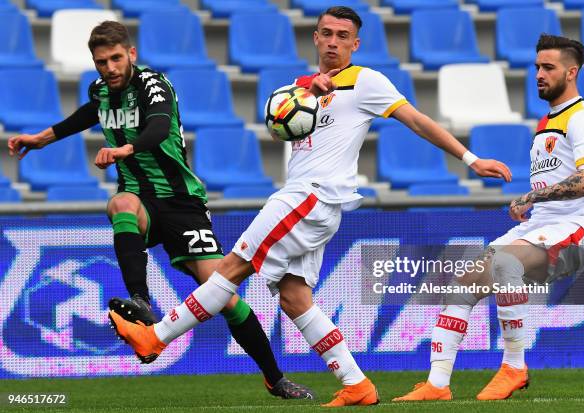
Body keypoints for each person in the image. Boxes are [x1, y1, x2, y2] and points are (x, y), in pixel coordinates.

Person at [107, 7, 511, 407]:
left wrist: (471, 160)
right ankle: (356, 384)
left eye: (342, 36)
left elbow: (417, 120)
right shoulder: (300, 87)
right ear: (315, 38)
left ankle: (155, 336)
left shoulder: (366, 82)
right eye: (326, 33)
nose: (333, 41)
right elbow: (275, 124)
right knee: (294, 296)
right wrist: (307, 94)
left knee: (233, 266)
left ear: (356, 43)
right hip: (307, 198)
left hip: (311, 196)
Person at [7, 20, 314, 400]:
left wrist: (124, 149)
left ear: (131, 54)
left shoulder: (153, 84)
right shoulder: (101, 90)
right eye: (102, 62)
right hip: (142, 198)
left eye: (117, 58)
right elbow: (90, 113)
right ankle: (141, 300)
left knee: (221, 294)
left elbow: (157, 126)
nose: (111, 68)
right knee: (121, 202)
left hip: (182, 202)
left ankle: (274, 377)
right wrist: (41, 138)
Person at [393, 34, 584, 402]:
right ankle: (437, 384)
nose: (538, 74)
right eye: (537, 66)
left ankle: (514, 366)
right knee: (464, 282)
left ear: (572, 72)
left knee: (506, 264)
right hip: (542, 226)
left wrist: (532, 195)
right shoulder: (546, 123)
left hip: (576, 230)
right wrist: (533, 205)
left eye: (548, 67)